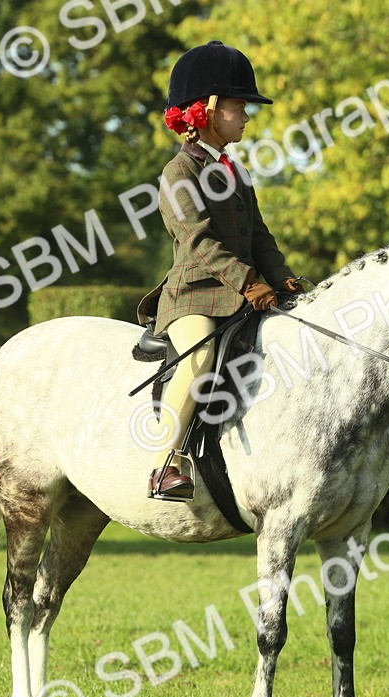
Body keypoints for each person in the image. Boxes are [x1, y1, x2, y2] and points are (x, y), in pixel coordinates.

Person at [136, 41, 304, 501]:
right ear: (207, 110)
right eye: (239, 106)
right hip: (195, 296)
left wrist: (284, 278)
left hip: (246, 294)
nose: (247, 115)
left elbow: (260, 237)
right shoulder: (178, 173)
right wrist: (249, 282)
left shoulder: (236, 173)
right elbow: (198, 240)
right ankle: (165, 464)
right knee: (199, 359)